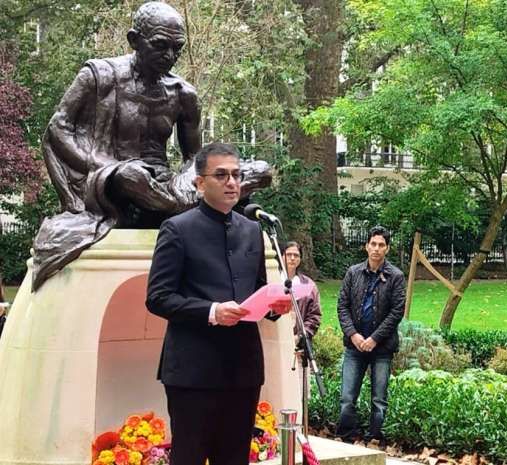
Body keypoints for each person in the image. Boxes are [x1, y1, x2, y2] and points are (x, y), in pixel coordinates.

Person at [32, 2, 271, 291]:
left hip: (164, 184)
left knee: (259, 170)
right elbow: (59, 128)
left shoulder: (183, 94)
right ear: (134, 40)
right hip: (112, 178)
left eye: (177, 48)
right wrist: (101, 166)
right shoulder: (98, 76)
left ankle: (176, 205)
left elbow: (193, 157)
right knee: (133, 177)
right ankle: (179, 208)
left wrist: (212, 176)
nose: (169, 56)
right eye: (160, 45)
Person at [146, 142, 289, 465]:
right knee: (190, 457)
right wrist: (211, 312)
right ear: (199, 183)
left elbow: (257, 290)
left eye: (237, 175)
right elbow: (158, 297)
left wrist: (274, 307)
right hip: (193, 370)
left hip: (243, 369)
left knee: (235, 458)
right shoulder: (177, 229)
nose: (232, 183)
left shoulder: (253, 230)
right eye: (221, 175)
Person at [336, 226, 405, 448]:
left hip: (382, 347)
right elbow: (342, 306)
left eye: (381, 245)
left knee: (379, 399)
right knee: (347, 398)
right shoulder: (353, 273)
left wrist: (374, 338)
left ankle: (374, 438)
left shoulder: (395, 276)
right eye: (373, 244)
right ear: (366, 246)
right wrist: (353, 334)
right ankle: (346, 437)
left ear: (387, 249)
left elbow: (397, 311)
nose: (376, 249)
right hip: (354, 346)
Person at [283, 241, 321, 343]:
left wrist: (300, 337)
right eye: (288, 254)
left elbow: (314, 316)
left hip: (300, 343)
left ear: (300, 259)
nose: (292, 258)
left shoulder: (308, 285)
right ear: (282, 256)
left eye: (296, 255)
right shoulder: (273, 280)